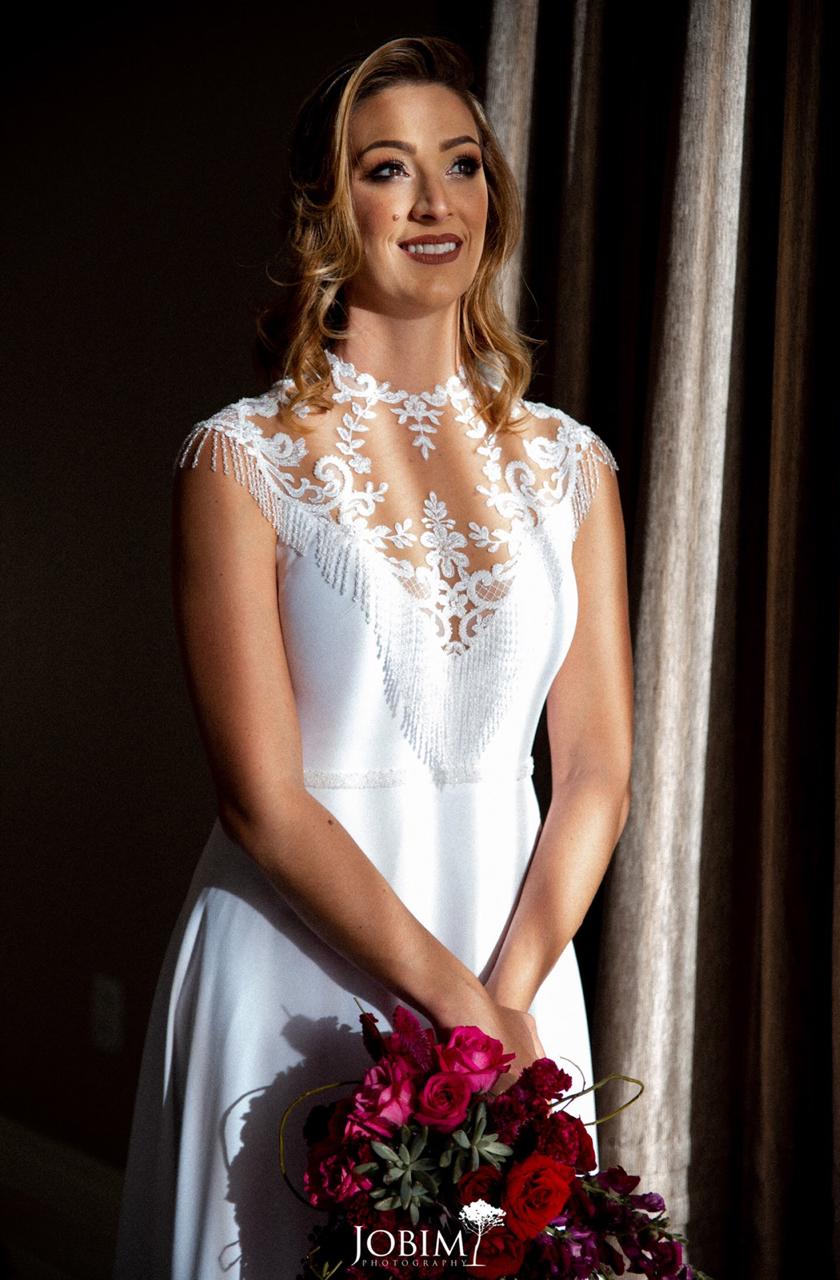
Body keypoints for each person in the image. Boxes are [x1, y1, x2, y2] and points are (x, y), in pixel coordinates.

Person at [113, 34, 633, 1280]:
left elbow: (596, 768)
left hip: (516, 968)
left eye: (461, 163)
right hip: (294, 974)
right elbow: (262, 797)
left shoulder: (572, 464)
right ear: (324, 211)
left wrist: (502, 1014)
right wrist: (458, 1010)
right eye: (387, 168)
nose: (434, 200)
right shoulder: (238, 458)